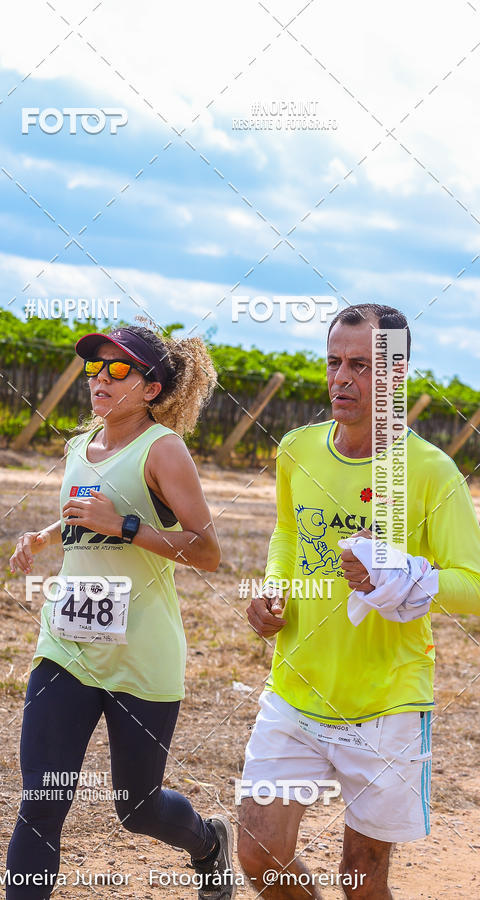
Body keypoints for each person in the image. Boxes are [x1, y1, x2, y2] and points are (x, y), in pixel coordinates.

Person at [237, 304, 480, 898]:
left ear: (397, 375)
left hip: (386, 703)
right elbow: (288, 533)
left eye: (361, 366)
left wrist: (399, 575)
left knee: (361, 882)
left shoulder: (430, 472)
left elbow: (473, 585)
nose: (341, 378)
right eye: (334, 363)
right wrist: (275, 587)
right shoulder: (297, 449)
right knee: (259, 857)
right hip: (295, 689)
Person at [6, 324, 236, 899]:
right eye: (94, 369)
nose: (98, 380)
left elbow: (206, 551)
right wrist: (45, 536)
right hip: (67, 646)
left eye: (117, 370)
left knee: (137, 808)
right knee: (42, 799)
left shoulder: (163, 449)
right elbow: (87, 512)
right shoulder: (79, 447)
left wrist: (127, 527)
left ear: (152, 388)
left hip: (141, 657)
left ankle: (207, 842)